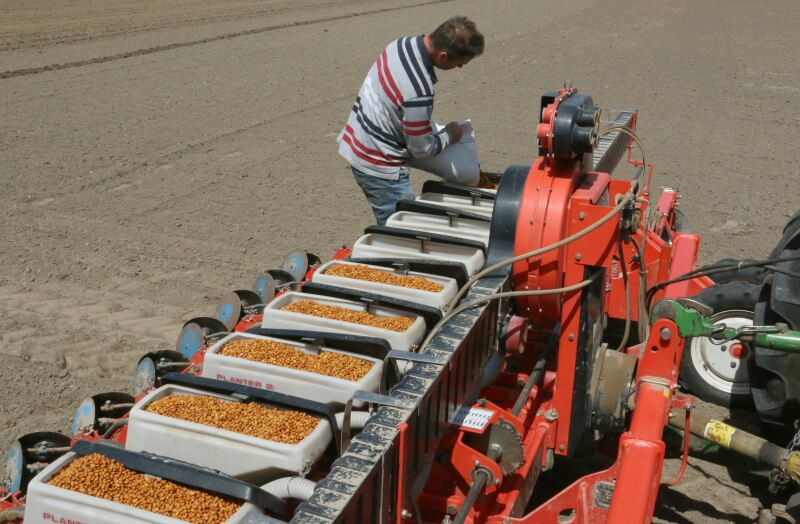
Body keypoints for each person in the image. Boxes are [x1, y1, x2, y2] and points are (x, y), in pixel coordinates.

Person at [337, 16, 484, 225]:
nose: (459, 67)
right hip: (379, 163)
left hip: (358, 138)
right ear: (443, 56)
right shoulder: (418, 91)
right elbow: (421, 149)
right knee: (403, 228)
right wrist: (450, 135)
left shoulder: (399, 45)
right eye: (459, 63)